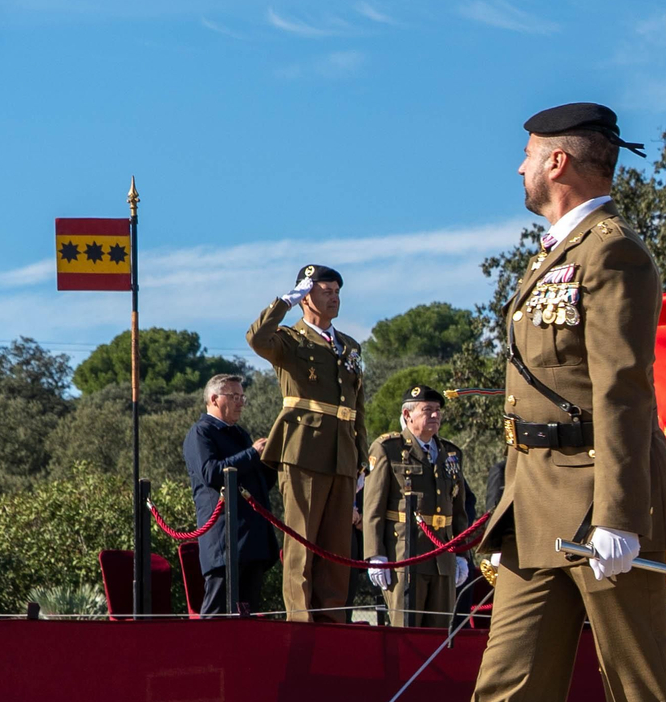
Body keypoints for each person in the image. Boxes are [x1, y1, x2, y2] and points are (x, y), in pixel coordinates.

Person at [361, 102, 666, 702]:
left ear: (559, 162)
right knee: (505, 688)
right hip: (534, 503)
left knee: (641, 696)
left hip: (598, 504)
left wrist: (622, 515)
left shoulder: (613, 252)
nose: (516, 169)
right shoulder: (554, 257)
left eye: (525, 156)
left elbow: (622, 388)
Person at [247, 263, 368, 622]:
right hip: (303, 449)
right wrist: (285, 301)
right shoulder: (290, 340)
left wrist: (361, 459)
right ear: (306, 297)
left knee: (336, 549)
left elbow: (357, 406)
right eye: (325, 290)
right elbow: (256, 338)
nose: (334, 297)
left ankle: (333, 623)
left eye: (336, 291)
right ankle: (300, 622)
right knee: (302, 543)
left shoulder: (349, 346)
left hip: (343, 454)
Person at [364, 384, 476, 628]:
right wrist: (376, 554)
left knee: (440, 633)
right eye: (428, 410)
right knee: (406, 630)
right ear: (408, 415)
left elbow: (458, 511)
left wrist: (461, 555)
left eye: (438, 410)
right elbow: (374, 507)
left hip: (443, 557)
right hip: (405, 555)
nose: (435, 415)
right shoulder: (388, 449)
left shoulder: (450, 453)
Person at [181, 373, 278, 616]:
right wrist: (252, 454)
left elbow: (258, 486)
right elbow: (211, 473)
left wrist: (271, 462)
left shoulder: (240, 434)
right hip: (225, 543)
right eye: (234, 396)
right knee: (216, 615)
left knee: (245, 617)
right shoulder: (201, 433)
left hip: (251, 543)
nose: (241, 402)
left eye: (242, 396)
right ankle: (203, 655)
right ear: (213, 399)